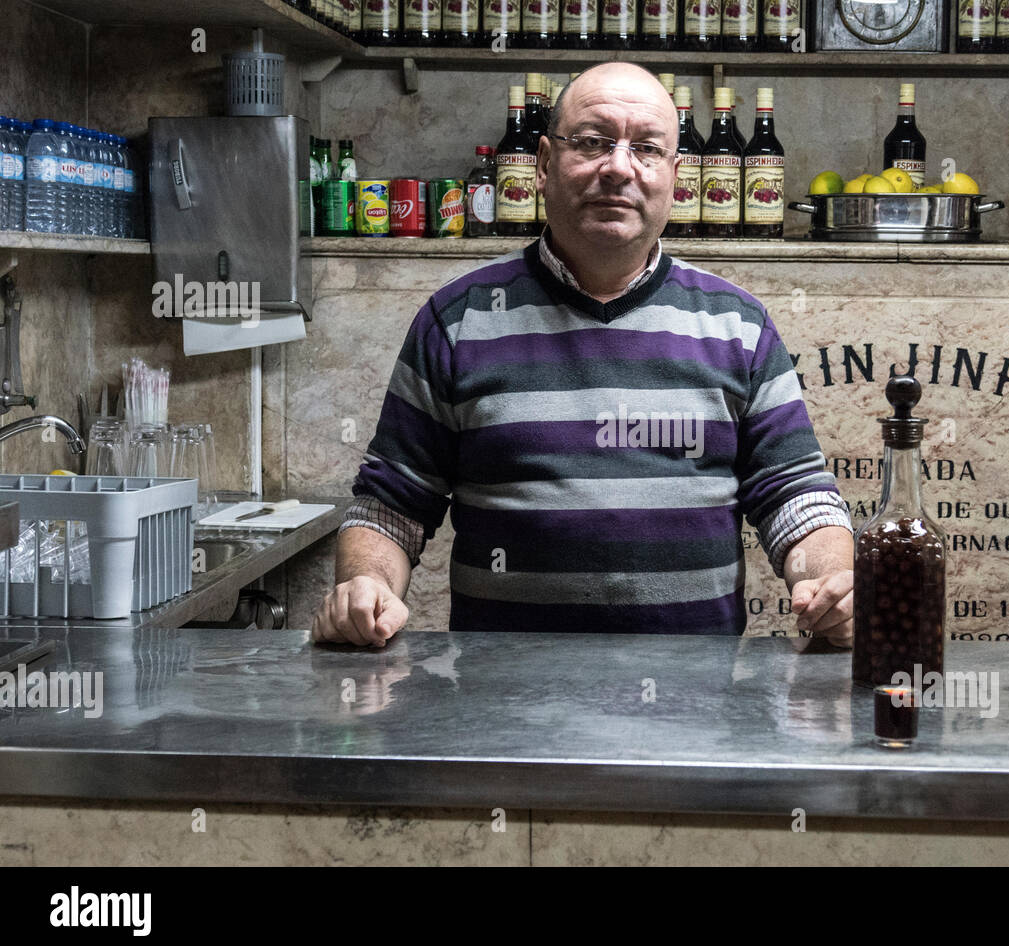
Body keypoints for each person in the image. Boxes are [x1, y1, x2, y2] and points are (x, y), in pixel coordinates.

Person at [311, 63, 854, 648]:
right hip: (502, 702)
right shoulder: (458, 320)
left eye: (647, 149)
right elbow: (392, 505)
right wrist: (365, 585)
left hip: (696, 703)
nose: (619, 167)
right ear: (544, 165)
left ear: (675, 176)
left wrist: (831, 581)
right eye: (593, 142)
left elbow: (796, 496)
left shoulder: (738, 326)